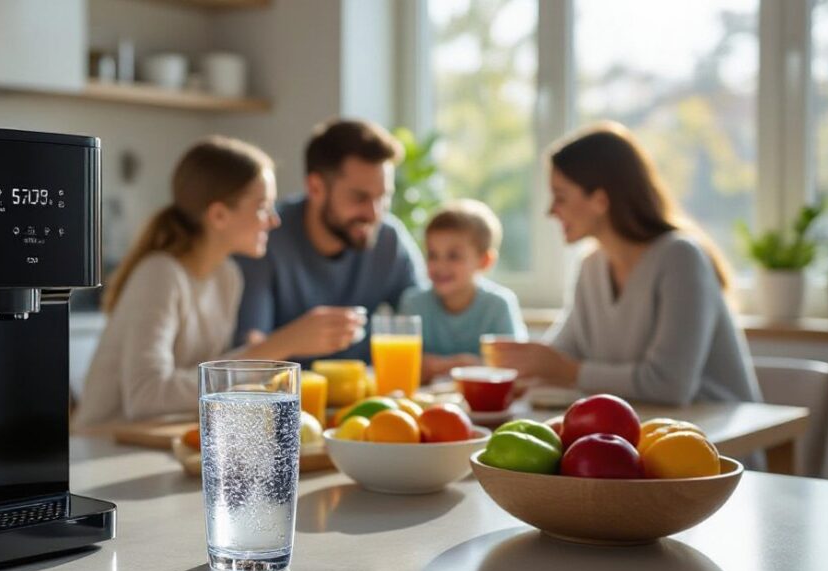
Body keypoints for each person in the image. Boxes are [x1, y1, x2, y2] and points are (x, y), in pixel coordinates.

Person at [73, 136, 364, 427]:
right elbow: (147, 396)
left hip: (157, 444)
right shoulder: (161, 274)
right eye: (263, 207)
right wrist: (276, 347)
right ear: (219, 215)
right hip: (102, 448)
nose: (274, 221)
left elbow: (206, 380)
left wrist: (257, 357)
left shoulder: (227, 277)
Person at [491, 122, 763, 407]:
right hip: (641, 437)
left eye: (560, 197)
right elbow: (561, 352)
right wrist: (498, 371)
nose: (550, 211)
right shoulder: (591, 266)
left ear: (600, 200)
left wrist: (566, 371)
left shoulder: (680, 258)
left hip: (716, 442)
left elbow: (669, 385)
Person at [234, 118, 426, 363]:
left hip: (365, 395)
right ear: (315, 188)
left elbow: (428, 318)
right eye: (360, 197)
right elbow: (248, 349)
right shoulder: (263, 238)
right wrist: (294, 338)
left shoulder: (389, 240)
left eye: (383, 197)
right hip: (290, 397)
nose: (374, 214)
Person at [399, 199, 527, 383]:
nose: (440, 265)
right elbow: (404, 366)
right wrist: (460, 364)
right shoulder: (413, 303)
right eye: (433, 255)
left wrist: (438, 365)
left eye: (454, 256)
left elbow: (512, 368)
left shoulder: (498, 305)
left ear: (484, 261)